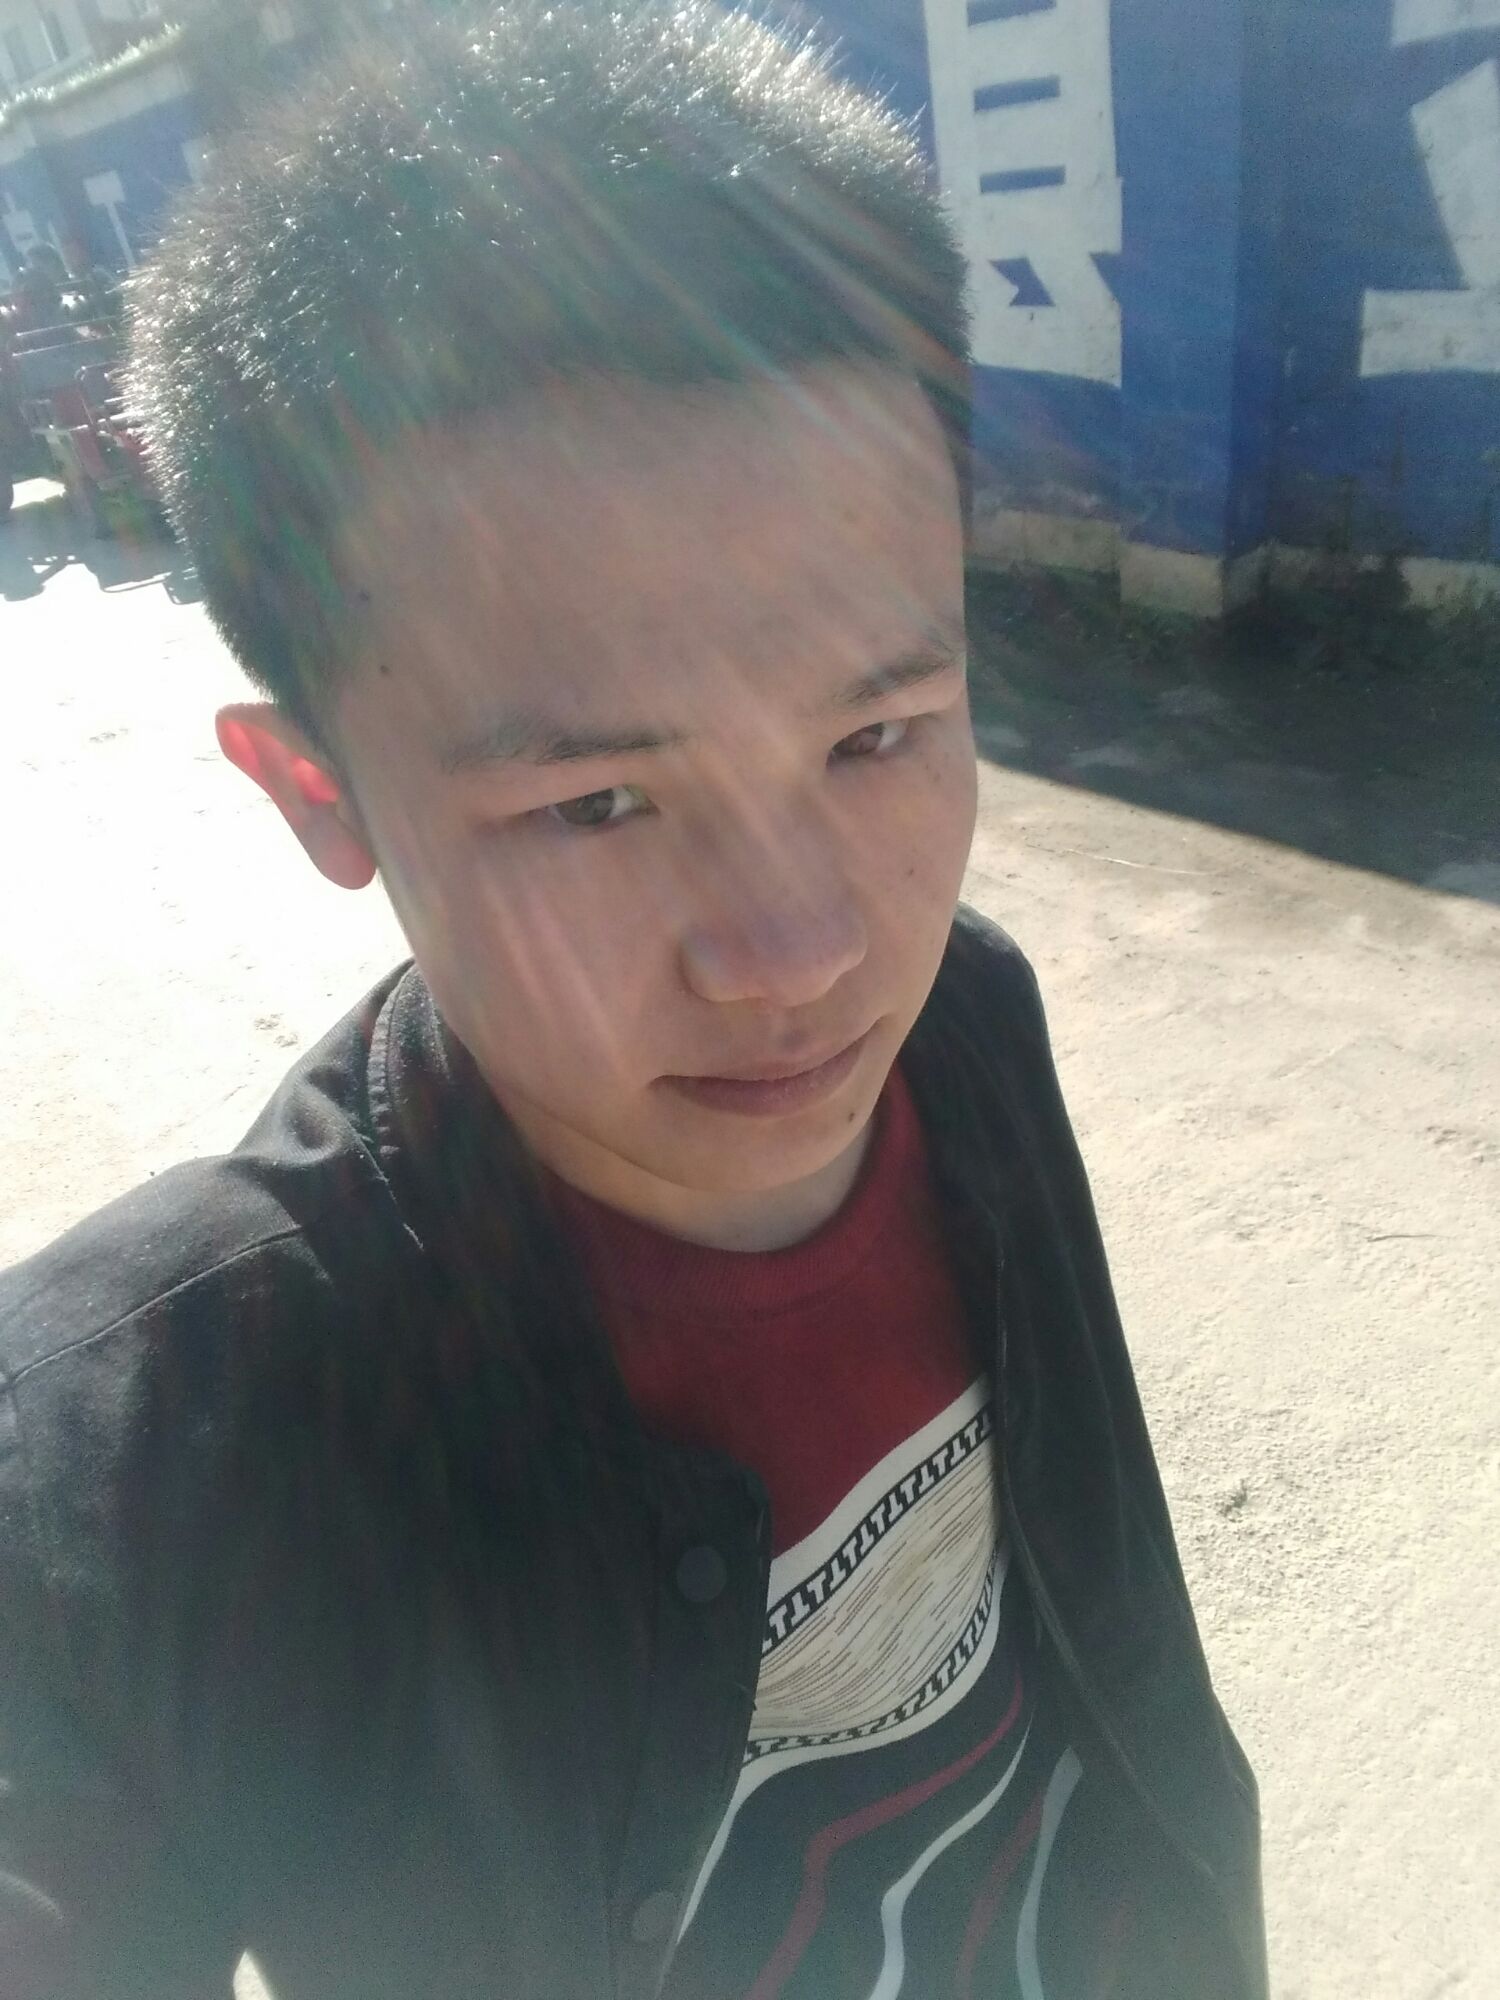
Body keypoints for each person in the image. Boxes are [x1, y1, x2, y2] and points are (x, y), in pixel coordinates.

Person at [0, 6, 1265, 1996]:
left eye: (878, 735)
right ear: (318, 790)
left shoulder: (971, 1022)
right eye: (593, 803)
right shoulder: (146, 1449)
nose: (805, 954)